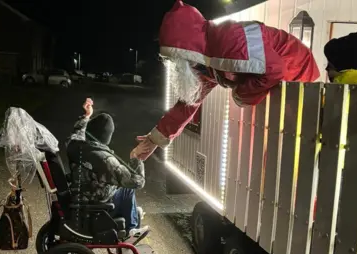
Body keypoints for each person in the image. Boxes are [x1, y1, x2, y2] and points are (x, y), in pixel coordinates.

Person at [131, 0, 320, 160]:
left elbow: (274, 69)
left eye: (174, 58)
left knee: (295, 150)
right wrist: (155, 139)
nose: (174, 64)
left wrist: (240, 95)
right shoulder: (206, 59)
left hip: (297, 72)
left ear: (185, 50)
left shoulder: (229, 41)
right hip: (283, 81)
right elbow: (188, 102)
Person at [66, 98, 148, 237]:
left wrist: (87, 116)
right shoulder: (105, 159)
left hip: (78, 197)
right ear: (107, 138)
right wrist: (136, 158)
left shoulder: (74, 145)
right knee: (127, 190)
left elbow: (77, 132)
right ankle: (131, 229)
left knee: (120, 188)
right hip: (96, 205)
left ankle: (134, 213)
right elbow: (138, 181)